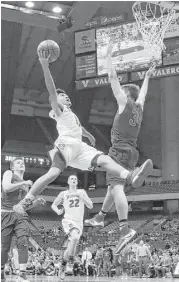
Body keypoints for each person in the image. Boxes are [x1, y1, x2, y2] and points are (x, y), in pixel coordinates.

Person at [13, 51, 153, 215]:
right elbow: (51, 89)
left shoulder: (70, 114)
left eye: (65, 94)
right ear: (55, 101)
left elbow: (78, 127)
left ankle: (130, 176)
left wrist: (88, 135)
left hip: (80, 146)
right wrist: (45, 65)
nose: (65, 96)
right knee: (53, 174)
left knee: (105, 159)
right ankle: (25, 202)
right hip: (66, 144)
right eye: (62, 96)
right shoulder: (58, 110)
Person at [85, 39, 155, 254]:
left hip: (119, 150)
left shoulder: (124, 103)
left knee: (116, 188)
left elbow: (112, 77)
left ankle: (125, 228)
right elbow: (143, 94)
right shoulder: (139, 108)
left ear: (126, 95)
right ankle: (100, 217)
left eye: (123, 92)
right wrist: (147, 77)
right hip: (132, 151)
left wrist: (108, 57)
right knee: (111, 187)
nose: (120, 93)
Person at [1, 157, 45, 282]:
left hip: (20, 215)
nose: (22, 164)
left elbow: (24, 205)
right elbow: (6, 188)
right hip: (6, 214)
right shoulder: (9, 174)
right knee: (4, 247)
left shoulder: (25, 184)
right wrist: (23, 183)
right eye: (18, 163)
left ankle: (22, 274)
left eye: (22, 163)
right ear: (13, 167)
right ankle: (1, 271)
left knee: (23, 242)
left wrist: (35, 202)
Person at [51, 174, 93, 280]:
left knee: (71, 246)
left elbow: (90, 205)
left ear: (77, 182)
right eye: (71, 178)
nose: (74, 180)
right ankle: (70, 261)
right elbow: (53, 205)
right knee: (74, 238)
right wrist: (58, 211)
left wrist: (83, 198)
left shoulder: (82, 192)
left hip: (79, 223)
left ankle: (63, 265)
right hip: (68, 220)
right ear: (68, 182)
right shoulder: (63, 193)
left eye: (75, 179)